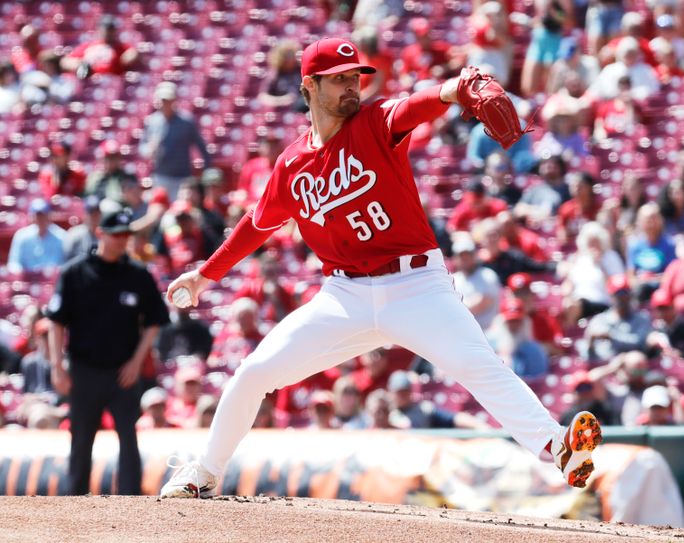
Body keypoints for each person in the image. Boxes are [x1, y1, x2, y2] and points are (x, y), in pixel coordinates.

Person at [159, 37, 601, 499]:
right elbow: (257, 224)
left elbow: (421, 104)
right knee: (253, 373)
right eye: (340, 80)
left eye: (356, 77)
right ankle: (205, 472)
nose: (353, 86)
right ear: (309, 86)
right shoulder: (292, 165)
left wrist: (460, 87)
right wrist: (205, 274)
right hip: (343, 296)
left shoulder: (374, 121)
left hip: (416, 285)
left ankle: (559, 446)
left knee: (478, 364)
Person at [46, 208, 170, 495]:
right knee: (81, 438)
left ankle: (131, 502)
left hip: (122, 371)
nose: (121, 240)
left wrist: (137, 362)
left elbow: (155, 321)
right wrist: (57, 366)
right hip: (84, 369)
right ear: (100, 233)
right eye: (116, 235)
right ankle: (74, 501)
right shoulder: (75, 272)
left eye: (126, 235)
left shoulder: (137, 274)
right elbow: (56, 321)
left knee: (129, 437)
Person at [140, 81, 212, 201]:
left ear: (174, 100)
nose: (165, 103)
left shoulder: (186, 121)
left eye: (168, 100)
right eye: (162, 100)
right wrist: (149, 150)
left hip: (182, 178)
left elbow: (201, 147)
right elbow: (142, 147)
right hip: (160, 176)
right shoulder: (152, 121)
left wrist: (206, 170)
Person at [584, 275, 652, 362]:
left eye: (625, 293)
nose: (621, 298)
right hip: (604, 368)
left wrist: (611, 336)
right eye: (617, 294)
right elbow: (587, 357)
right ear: (611, 296)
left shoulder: (642, 318)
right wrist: (590, 343)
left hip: (632, 369)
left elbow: (639, 344)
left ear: (630, 295)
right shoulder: (599, 320)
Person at [451, 235, 502, 330]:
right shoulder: (452, 279)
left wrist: (454, 309)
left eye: (468, 255)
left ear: (474, 255)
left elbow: (481, 305)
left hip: (488, 333)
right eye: (461, 255)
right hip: (462, 333)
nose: (465, 259)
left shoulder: (488, 275)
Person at [61, 15, 138, 77]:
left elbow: (132, 54)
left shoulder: (120, 46)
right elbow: (65, 62)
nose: (108, 32)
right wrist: (80, 64)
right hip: (90, 81)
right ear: (99, 29)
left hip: (110, 82)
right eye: (106, 29)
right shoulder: (89, 46)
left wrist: (129, 56)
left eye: (111, 29)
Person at [8, 198, 65, 274]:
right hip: (27, 280)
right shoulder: (21, 236)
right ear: (32, 217)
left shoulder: (61, 236)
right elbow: (13, 263)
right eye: (37, 216)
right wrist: (21, 273)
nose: (40, 219)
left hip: (53, 280)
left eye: (43, 216)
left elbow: (65, 264)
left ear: (49, 216)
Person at [63, 195, 102, 262]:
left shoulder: (105, 234)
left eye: (97, 213)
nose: (94, 217)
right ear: (85, 215)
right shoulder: (74, 234)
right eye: (91, 214)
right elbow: (66, 258)